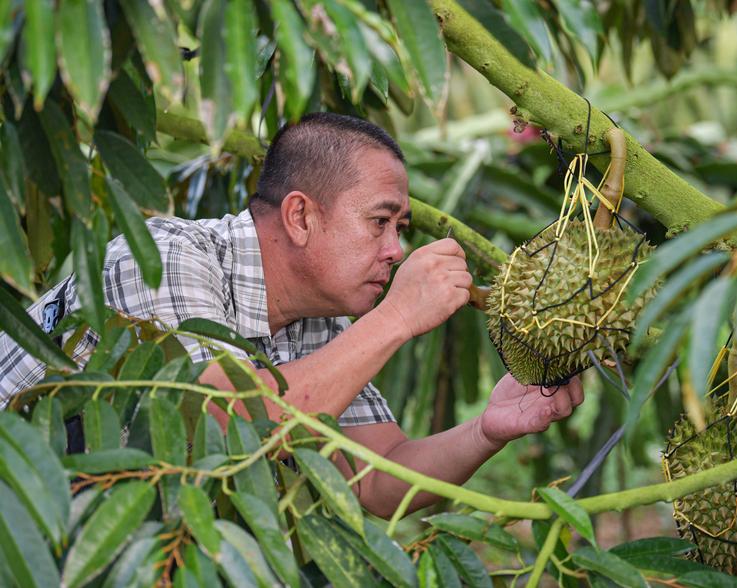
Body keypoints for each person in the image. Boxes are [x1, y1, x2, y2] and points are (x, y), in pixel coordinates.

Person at [0, 113, 583, 517]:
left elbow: (379, 478)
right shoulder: (165, 256)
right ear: (301, 217)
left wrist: (488, 428)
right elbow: (220, 425)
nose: (395, 250)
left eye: (400, 230)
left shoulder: (318, 320)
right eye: (380, 222)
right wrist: (398, 318)